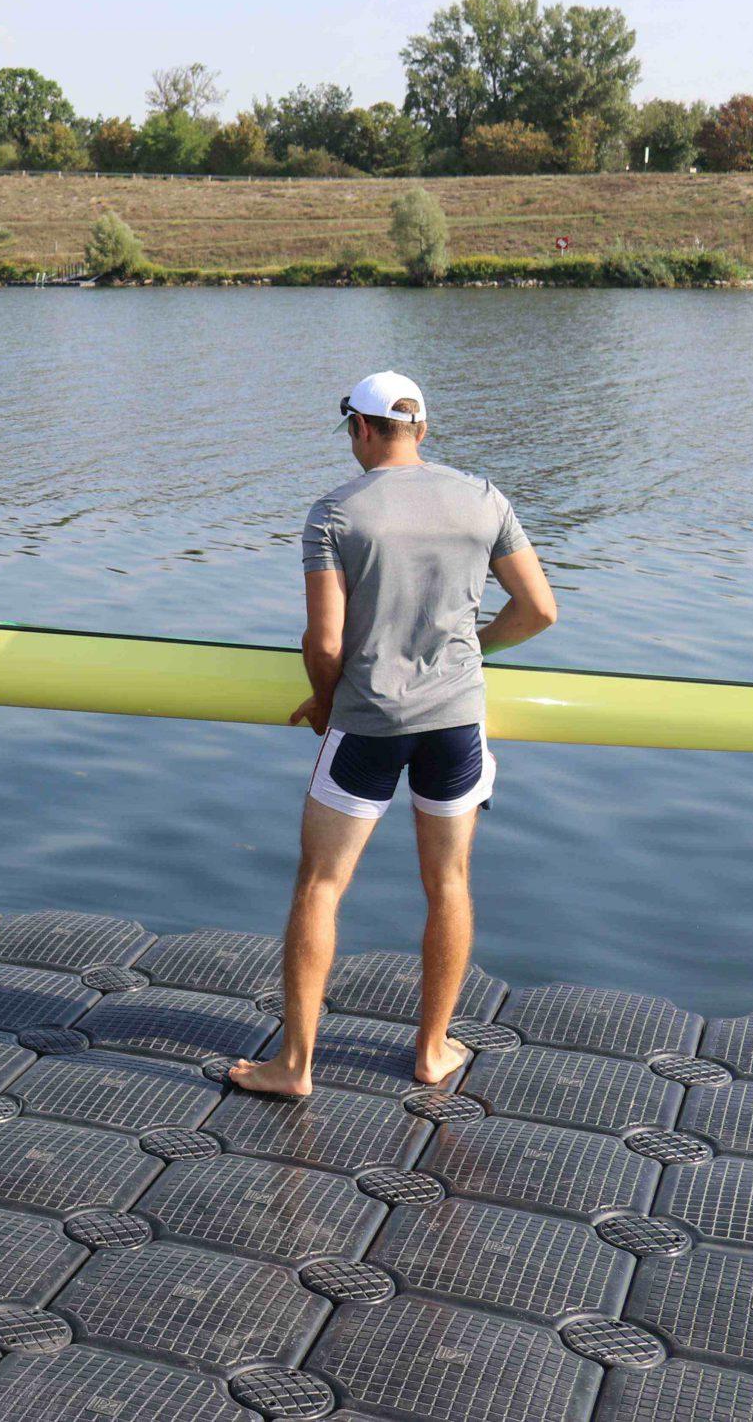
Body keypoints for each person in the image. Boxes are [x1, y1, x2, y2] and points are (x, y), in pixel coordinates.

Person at [229, 371, 558, 1097]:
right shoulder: (483, 499)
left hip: (369, 722)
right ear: (421, 430)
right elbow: (538, 609)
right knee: (448, 883)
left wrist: (322, 703)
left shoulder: (334, 514)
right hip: (454, 724)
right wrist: (473, 645)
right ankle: (434, 1051)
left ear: (364, 429)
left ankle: (295, 1066)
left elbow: (324, 640)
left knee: (320, 885)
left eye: (351, 427)